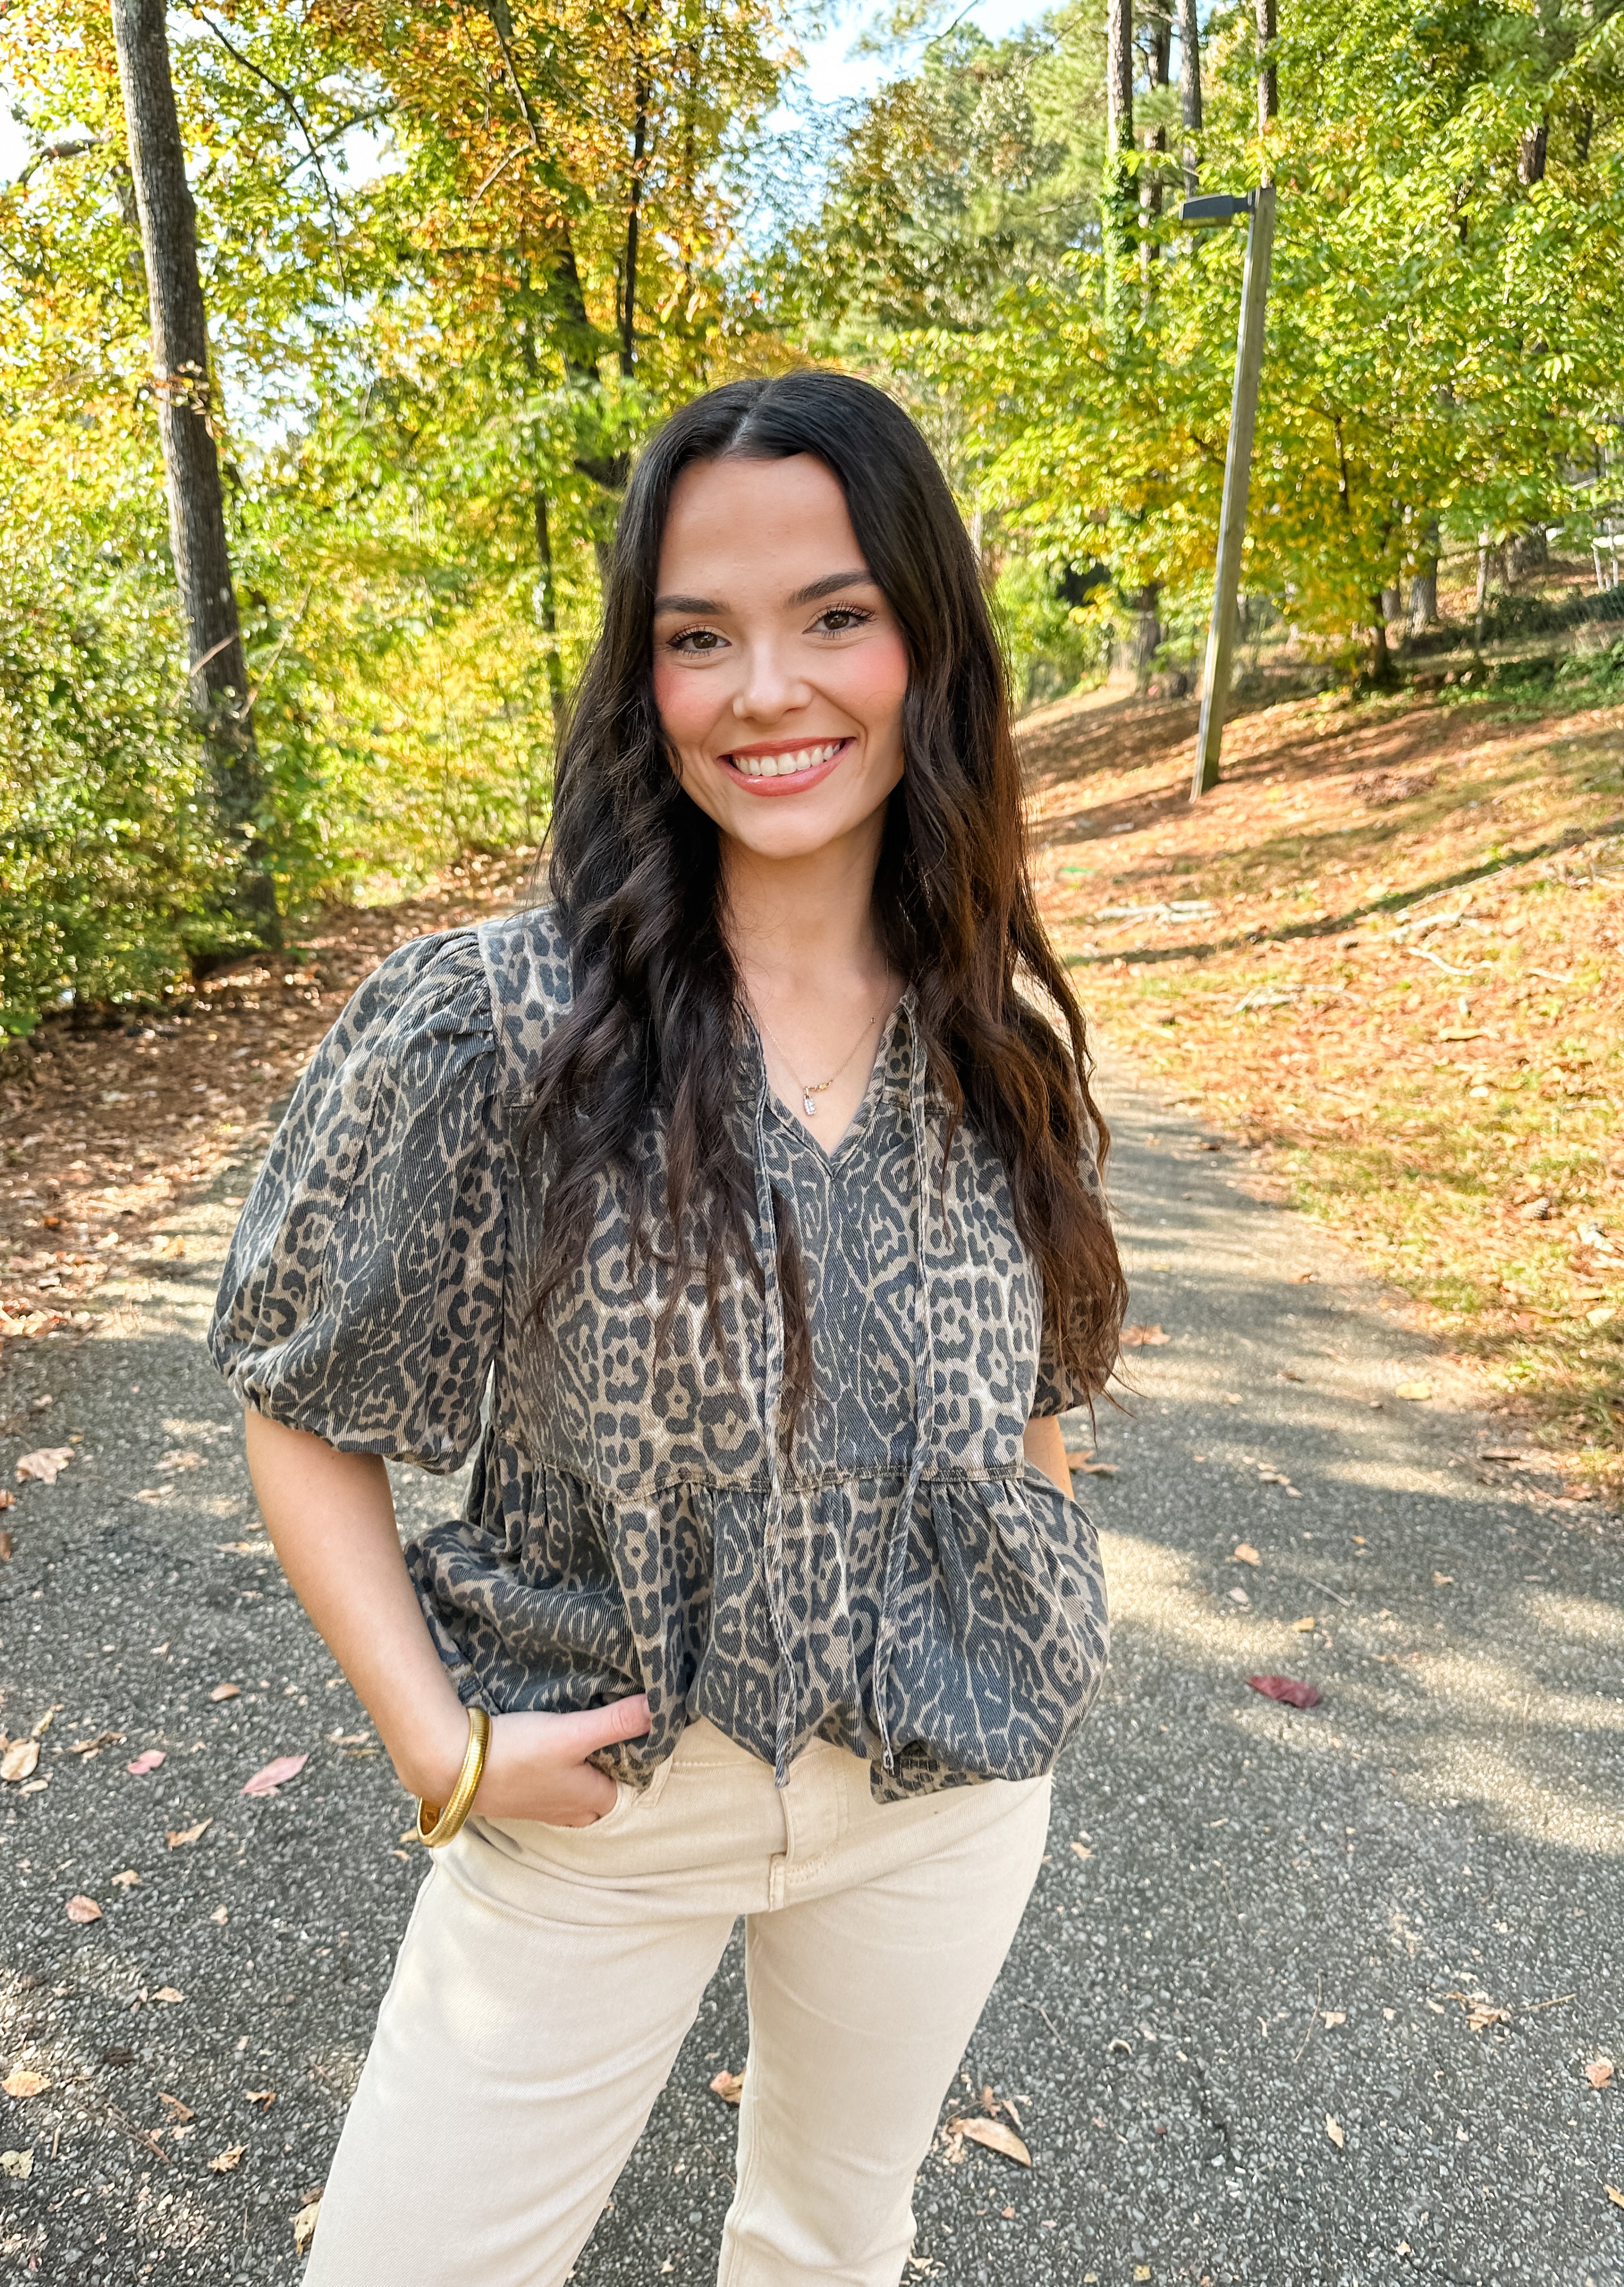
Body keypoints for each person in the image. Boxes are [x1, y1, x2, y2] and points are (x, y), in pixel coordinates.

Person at [209, 369, 1126, 2287]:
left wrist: (1038, 1609)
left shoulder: (992, 1044)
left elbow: (1034, 1399)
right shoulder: (497, 1022)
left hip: (936, 1803)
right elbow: (301, 1396)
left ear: (927, 643)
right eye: (699, 638)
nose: (767, 690)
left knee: (824, 2250)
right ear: (644, 680)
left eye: (836, 616)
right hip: (599, 1802)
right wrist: (436, 1743)